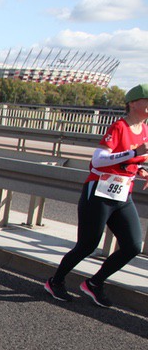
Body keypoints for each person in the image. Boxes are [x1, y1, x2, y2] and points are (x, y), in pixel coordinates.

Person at [45, 83, 148, 307]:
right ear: (132, 103)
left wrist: (141, 169)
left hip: (122, 194)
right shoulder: (119, 127)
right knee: (87, 245)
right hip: (99, 192)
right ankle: (55, 281)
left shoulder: (145, 130)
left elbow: (128, 161)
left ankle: (94, 283)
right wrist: (133, 152)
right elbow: (98, 160)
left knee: (133, 246)